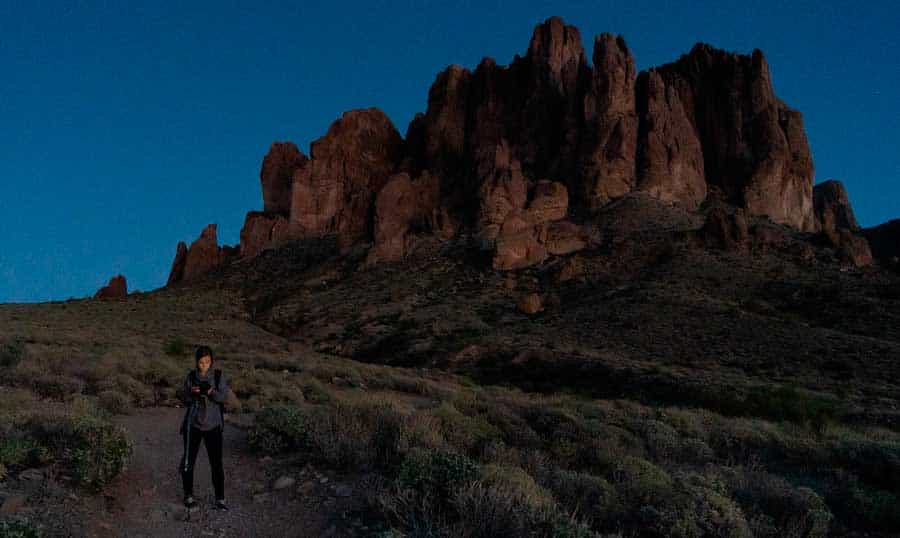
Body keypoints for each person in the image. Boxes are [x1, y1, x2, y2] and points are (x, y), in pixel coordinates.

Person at [179, 345, 230, 511]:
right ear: (196, 362)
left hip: (213, 426)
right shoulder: (191, 377)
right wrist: (192, 393)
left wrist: (210, 392)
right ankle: (188, 495)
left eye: (207, 362)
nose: (204, 365)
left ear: (212, 361)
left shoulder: (218, 376)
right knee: (188, 461)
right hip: (193, 424)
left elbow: (223, 397)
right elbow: (184, 397)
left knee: (216, 463)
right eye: (201, 362)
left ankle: (220, 498)